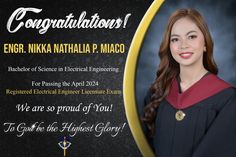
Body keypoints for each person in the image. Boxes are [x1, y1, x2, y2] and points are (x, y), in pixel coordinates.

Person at [142, 8, 236, 157]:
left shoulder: (227, 99)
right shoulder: (157, 93)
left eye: (191, 36)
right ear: (169, 46)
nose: (183, 45)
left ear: (205, 43)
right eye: (175, 39)